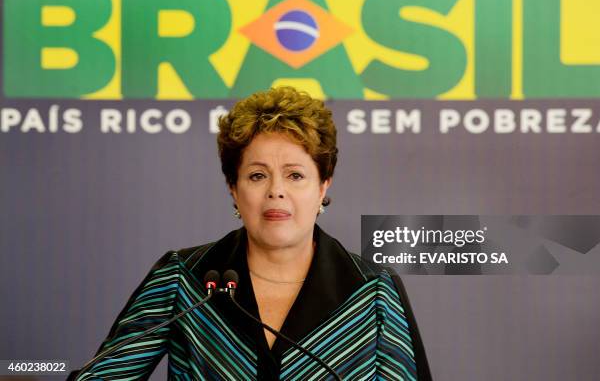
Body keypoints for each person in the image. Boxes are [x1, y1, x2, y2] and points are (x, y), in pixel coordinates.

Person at [69, 86, 431, 380]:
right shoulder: (185, 279)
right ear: (233, 187)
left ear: (323, 186)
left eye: (295, 175)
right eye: (257, 175)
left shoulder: (372, 291)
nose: (276, 191)